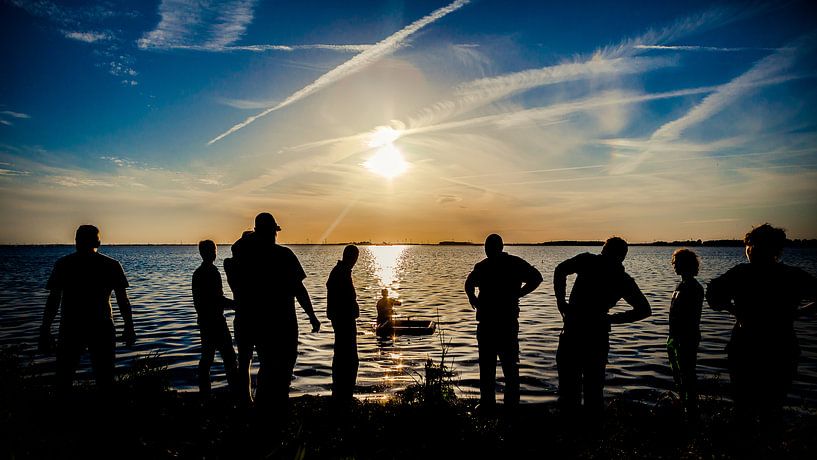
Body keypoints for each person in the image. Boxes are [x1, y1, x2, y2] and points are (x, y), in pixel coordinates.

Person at [706, 224, 817, 423]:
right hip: (782, 348)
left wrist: (734, 311)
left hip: (746, 348)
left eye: (750, 246)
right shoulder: (792, 275)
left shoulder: (741, 273)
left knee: (744, 408)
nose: (748, 250)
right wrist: (797, 314)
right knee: (772, 409)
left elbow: (712, 295)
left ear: (754, 247)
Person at [227, 213, 321, 410]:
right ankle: (272, 404)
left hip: (248, 319)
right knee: (277, 365)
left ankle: (248, 402)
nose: (275, 235)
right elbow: (299, 290)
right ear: (272, 232)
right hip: (280, 323)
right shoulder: (284, 255)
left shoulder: (242, 258)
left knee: (251, 363)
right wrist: (311, 315)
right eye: (274, 231)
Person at [553, 237, 651, 419]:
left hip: (576, 334)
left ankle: (573, 433)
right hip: (593, 336)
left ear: (605, 250)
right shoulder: (621, 278)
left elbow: (560, 270)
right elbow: (644, 310)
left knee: (571, 390)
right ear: (622, 257)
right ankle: (591, 434)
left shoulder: (590, 262)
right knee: (592, 391)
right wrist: (610, 319)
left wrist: (561, 301)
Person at [39, 225, 135, 395]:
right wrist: (129, 326)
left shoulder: (64, 264)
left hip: (72, 327)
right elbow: (123, 300)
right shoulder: (111, 265)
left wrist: (45, 329)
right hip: (100, 326)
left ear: (76, 241)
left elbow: (53, 300)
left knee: (64, 378)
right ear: (99, 241)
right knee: (104, 378)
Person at [465, 234, 543, 412]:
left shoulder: (510, 264)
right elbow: (469, 283)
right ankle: (493, 406)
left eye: (489, 246)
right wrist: (473, 298)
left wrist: (519, 294)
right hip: (492, 323)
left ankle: (501, 407)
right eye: (486, 247)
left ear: (498, 247)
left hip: (501, 324)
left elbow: (537, 278)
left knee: (500, 367)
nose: (487, 250)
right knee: (497, 368)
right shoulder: (486, 266)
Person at [192, 240, 238, 398]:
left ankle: (204, 392)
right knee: (229, 358)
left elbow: (200, 301)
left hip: (204, 321)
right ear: (211, 252)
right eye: (213, 249)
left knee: (207, 357)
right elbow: (217, 299)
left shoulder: (197, 273)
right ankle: (234, 391)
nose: (214, 252)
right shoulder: (212, 272)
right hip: (216, 321)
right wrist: (237, 305)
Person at [666, 248, 703, 421]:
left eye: (676, 262)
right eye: (674, 263)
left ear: (685, 264)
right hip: (676, 336)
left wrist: (681, 335)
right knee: (679, 373)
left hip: (686, 337)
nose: (674, 266)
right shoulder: (680, 285)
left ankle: (691, 410)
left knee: (687, 373)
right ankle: (684, 404)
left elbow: (691, 316)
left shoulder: (694, 287)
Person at [326, 245, 360, 401]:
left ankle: (343, 391)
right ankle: (343, 393)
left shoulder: (342, 271)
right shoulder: (340, 272)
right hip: (343, 319)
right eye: (354, 257)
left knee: (344, 355)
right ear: (352, 257)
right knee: (347, 357)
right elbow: (342, 297)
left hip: (343, 318)